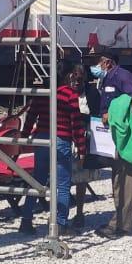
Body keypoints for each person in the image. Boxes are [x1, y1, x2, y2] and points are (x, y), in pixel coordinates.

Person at [21, 59, 85, 235]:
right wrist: (81, 148)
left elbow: (30, 116)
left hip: (42, 138)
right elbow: (76, 124)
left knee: (37, 181)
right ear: (69, 75)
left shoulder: (43, 93)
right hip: (61, 140)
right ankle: (60, 224)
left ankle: (26, 221)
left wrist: (24, 137)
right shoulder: (69, 94)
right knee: (62, 185)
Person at [98, 90, 132, 238]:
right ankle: (119, 221)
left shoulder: (123, 79)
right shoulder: (114, 80)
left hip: (128, 137)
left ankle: (121, 225)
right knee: (120, 180)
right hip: (122, 136)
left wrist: (111, 114)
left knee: (126, 180)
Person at [94, 51, 132, 116]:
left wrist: (112, 114)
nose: (96, 66)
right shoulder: (105, 78)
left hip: (119, 120)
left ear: (107, 63)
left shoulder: (123, 76)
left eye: (98, 62)